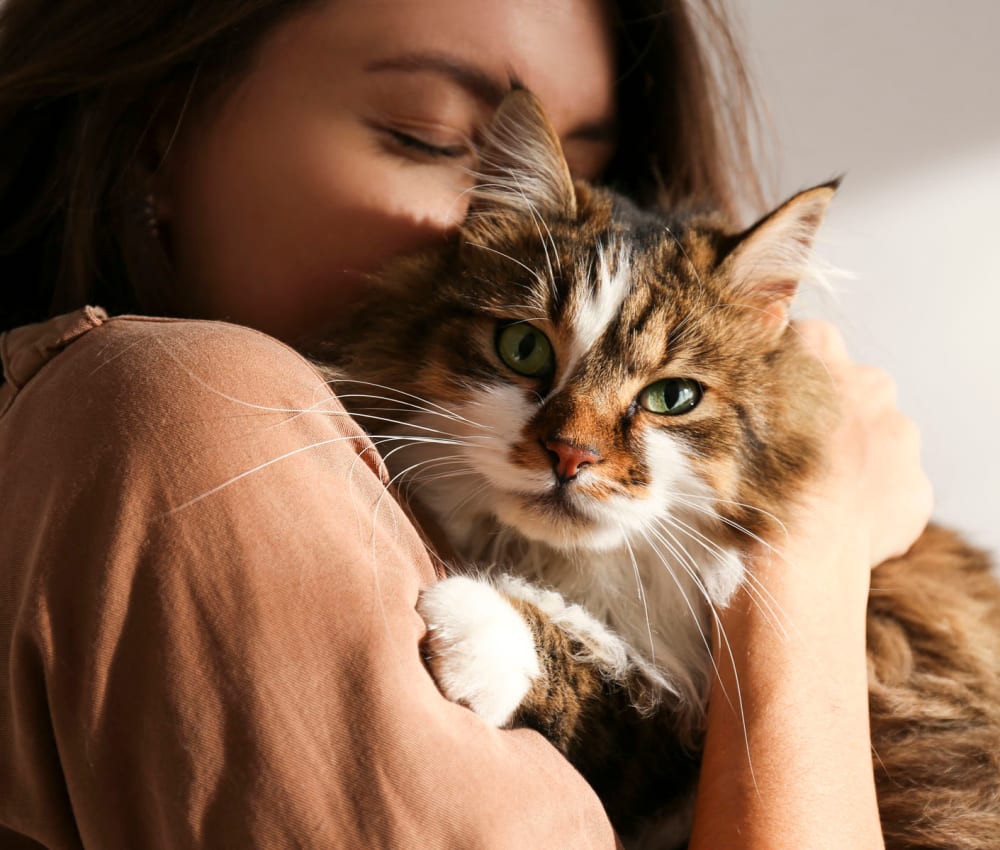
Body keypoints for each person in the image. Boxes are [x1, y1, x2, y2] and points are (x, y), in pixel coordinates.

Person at [0, 1, 931, 847]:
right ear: (157, 134)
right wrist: (812, 559)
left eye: (588, 173)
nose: (519, 219)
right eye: (436, 137)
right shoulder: (190, 409)